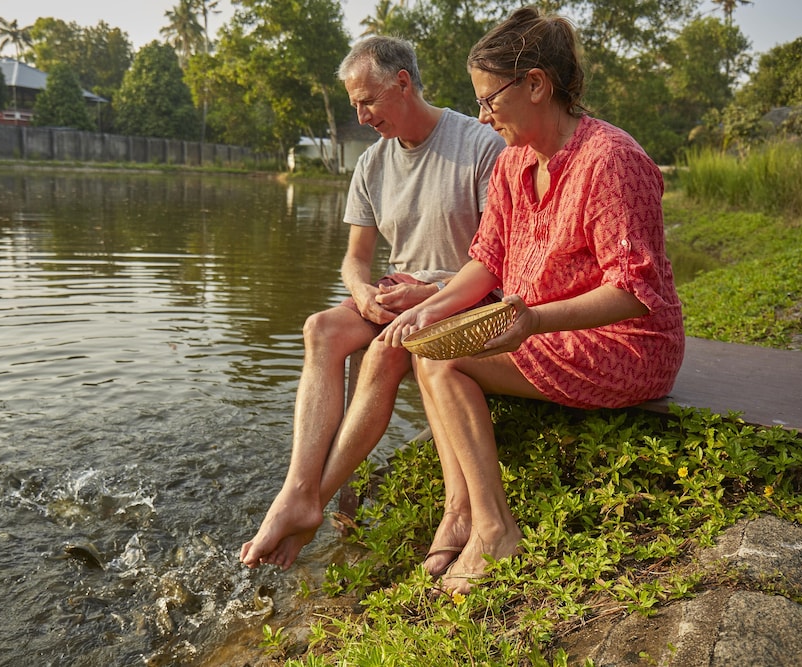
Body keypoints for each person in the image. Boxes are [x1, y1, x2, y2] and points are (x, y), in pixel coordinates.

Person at [379, 6, 685, 594]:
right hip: (545, 330)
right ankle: (461, 511)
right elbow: (488, 260)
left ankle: (495, 530)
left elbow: (633, 292)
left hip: (626, 343)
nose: (482, 116)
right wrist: (430, 307)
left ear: (537, 85)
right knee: (429, 347)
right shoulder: (514, 162)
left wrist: (534, 319)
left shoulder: (611, 160)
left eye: (489, 100)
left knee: (445, 364)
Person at [239, 36, 506, 570]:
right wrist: (361, 291)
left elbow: (502, 257)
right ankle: (298, 491)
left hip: (466, 294)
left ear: (403, 83)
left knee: (384, 352)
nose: (361, 117)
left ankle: (311, 503)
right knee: (319, 328)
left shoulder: (479, 144)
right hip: (396, 292)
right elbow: (355, 258)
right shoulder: (372, 164)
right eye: (354, 104)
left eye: (367, 101)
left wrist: (431, 295)